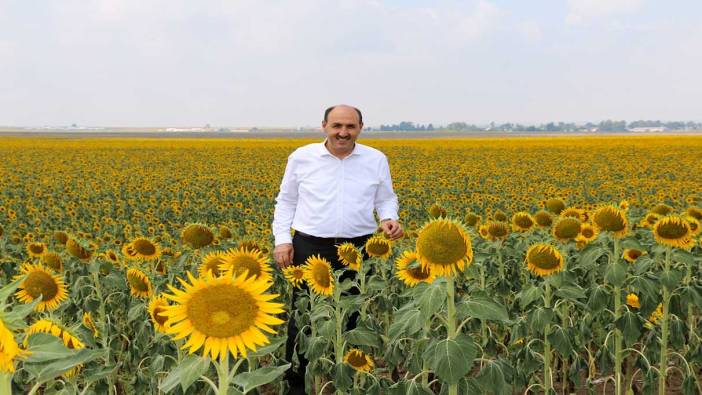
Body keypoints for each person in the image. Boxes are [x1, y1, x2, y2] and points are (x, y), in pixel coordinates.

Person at [272, 104, 403, 394]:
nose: (343, 133)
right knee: (304, 317)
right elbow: (286, 201)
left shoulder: (375, 159)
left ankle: (347, 380)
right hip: (309, 244)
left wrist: (389, 219)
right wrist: (282, 239)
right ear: (324, 126)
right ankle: (299, 383)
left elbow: (385, 198)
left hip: (358, 247)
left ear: (360, 128)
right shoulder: (302, 157)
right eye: (337, 126)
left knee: (354, 315)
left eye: (350, 127)